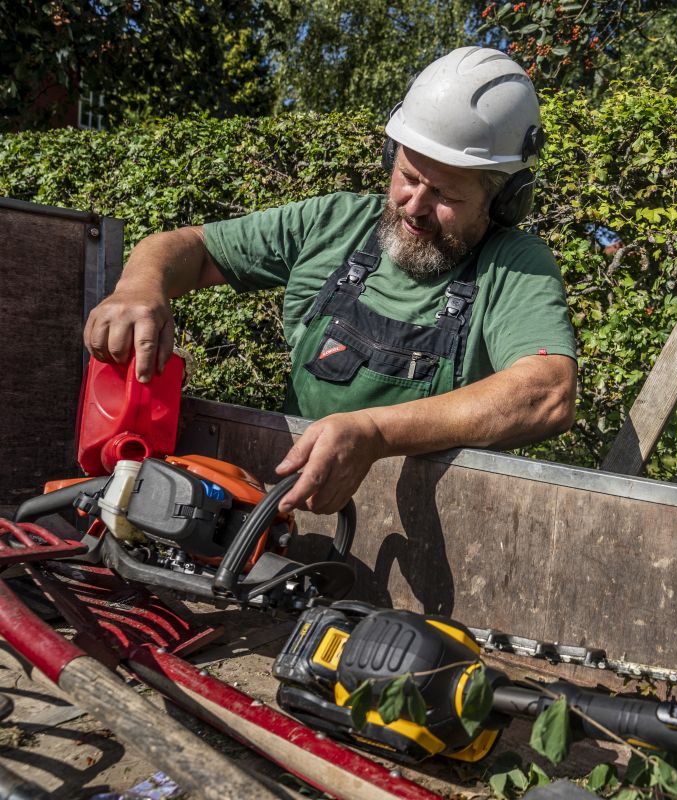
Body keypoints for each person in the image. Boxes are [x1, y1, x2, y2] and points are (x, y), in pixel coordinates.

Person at [82, 47, 578, 516]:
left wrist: (374, 433)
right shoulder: (333, 222)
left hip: (433, 533)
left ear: (506, 200)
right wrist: (139, 289)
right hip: (290, 511)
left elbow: (546, 391)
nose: (414, 205)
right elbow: (192, 246)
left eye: (446, 193)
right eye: (407, 175)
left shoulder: (515, 265)